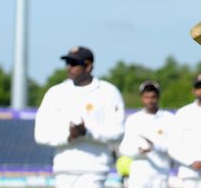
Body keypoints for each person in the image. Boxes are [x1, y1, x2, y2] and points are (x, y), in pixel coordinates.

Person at [34, 46, 125, 188]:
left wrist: (87, 133)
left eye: (74, 64)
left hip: (94, 169)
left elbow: (117, 132)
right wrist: (68, 136)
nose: (69, 67)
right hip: (63, 168)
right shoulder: (55, 93)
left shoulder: (108, 92)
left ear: (88, 67)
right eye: (67, 63)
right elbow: (40, 134)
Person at [118, 80, 174, 188]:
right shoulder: (133, 119)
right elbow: (124, 148)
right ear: (142, 98)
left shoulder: (169, 118)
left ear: (158, 97)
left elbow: (174, 146)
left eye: (153, 97)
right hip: (139, 175)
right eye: (146, 97)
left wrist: (154, 147)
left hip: (161, 174)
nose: (150, 100)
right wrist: (139, 151)